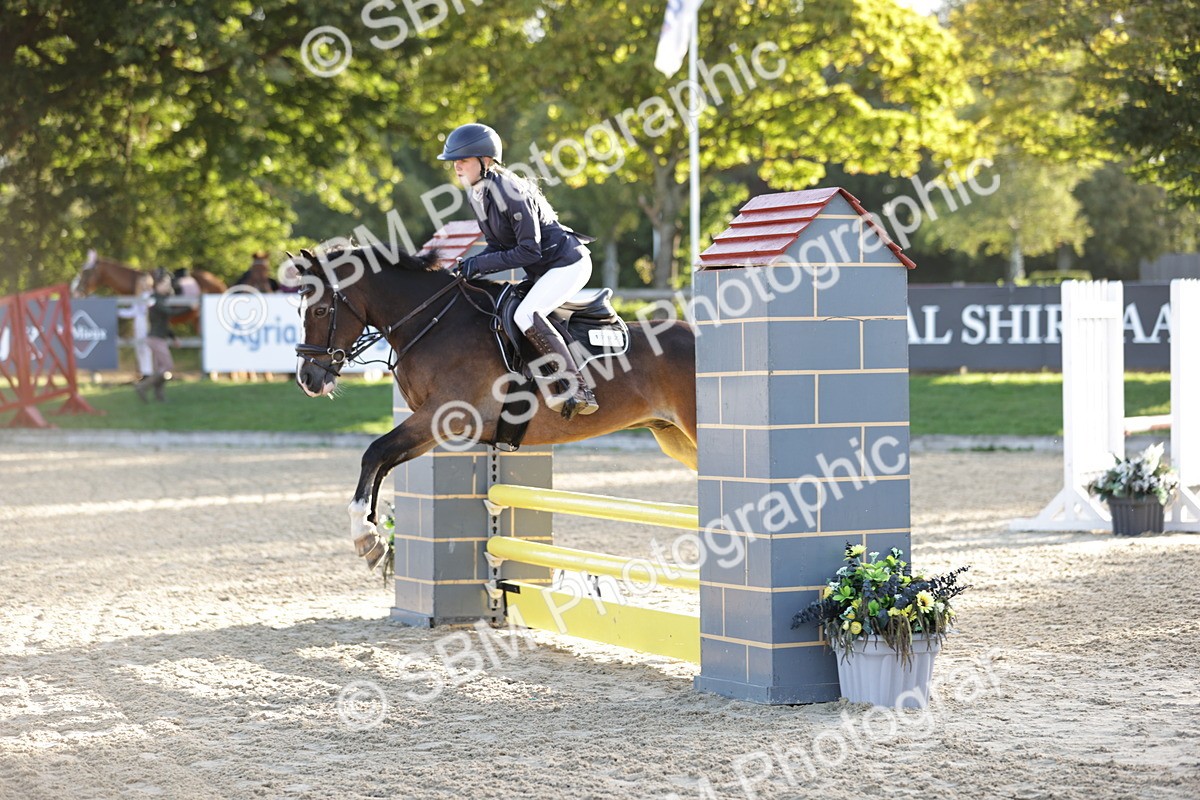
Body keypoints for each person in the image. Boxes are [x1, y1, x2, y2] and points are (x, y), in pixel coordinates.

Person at [439, 123, 599, 419]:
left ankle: (578, 388)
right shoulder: (479, 194)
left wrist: (479, 264)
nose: (456, 167)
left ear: (485, 162)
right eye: (454, 162)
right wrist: (465, 268)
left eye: (463, 160)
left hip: (568, 263)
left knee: (525, 314)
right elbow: (495, 246)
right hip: (545, 269)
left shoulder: (511, 192)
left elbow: (529, 250)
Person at [135, 271, 176, 402]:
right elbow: (168, 313)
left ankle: (160, 396)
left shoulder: (161, 299)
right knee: (168, 367)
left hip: (159, 338)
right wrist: (190, 307)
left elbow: (164, 322)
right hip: (155, 338)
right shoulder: (154, 299)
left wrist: (173, 337)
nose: (168, 286)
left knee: (161, 370)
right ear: (158, 284)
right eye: (166, 284)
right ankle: (142, 386)